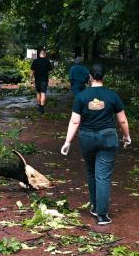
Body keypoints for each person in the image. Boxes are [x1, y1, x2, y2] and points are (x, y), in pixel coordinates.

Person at [60, 64, 131, 225]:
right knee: (103, 176)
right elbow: (122, 120)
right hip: (108, 138)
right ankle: (102, 215)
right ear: (103, 77)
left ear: (90, 77)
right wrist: (126, 136)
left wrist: (67, 142)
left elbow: (75, 121)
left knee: (92, 172)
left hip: (87, 139)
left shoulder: (82, 96)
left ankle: (94, 206)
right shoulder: (112, 95)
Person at [30, 49, 53, 114]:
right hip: (44, 80)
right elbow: (50, 71)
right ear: (45, 55)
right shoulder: (47, 61)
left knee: (38, 93)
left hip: (37, 80)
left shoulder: (35, 61)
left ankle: (39, 107)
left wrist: (31, 79)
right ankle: (42, 109)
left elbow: (32, 71)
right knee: (43, 93)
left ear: (39, 55)